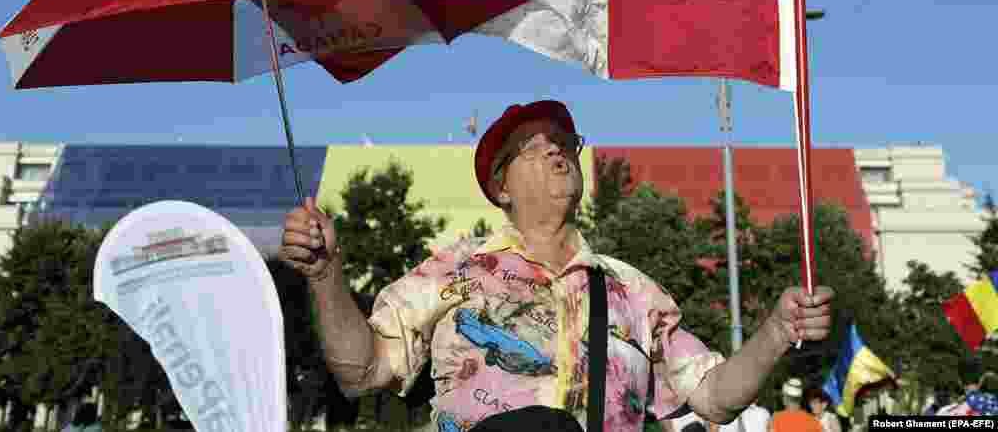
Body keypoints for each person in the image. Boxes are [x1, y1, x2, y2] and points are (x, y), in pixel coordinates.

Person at [279, 100, 834, 432]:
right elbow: (362, 372)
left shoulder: (632, 290)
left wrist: (776, 332)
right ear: (501, 187)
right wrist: (326, 275)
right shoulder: (452, 270)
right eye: (532, 146)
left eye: (564, 141)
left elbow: (714, 397)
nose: (555, 150)